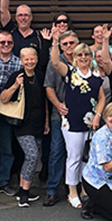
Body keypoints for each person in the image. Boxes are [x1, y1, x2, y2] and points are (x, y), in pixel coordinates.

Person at [50, 25, 105, 209]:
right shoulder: (70, 72)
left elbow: (101, 98)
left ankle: (84, 189)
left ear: (90, 57)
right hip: (72, 122)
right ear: (75, 57)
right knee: (73, 157)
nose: (83, 58)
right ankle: (72, 192)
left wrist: (98, 115)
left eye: (86, 55)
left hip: (90, 123)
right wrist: (55, 42)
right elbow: (55, 62)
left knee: (86, 158)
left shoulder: (96, 75)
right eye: (79, 55)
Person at [0, 48, 49, 207]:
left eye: (32, 58)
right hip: (22, 124)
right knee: (32, 155)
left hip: (38, 123)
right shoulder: (17, 76)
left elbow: (45, 101)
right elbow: (3, 98)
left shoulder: (40, 75)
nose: (29, 62)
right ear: (21, 60)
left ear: (36, 59)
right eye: (26, 59)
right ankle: (24, 193)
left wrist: (46, 122)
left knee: (31, 158)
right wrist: (15, 85)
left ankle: (22, 189)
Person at [43, 28, 79, 206]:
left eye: (72, 43)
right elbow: (48, 87)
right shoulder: (54, 61)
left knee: (79, 153)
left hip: (81, 115)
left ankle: (77, 188)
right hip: (60, 114)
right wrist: (57, 105)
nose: (69, 46)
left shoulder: (84, 60)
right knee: (57, 151)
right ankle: (52, 189)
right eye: (65, 44)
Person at [0, 31, 23, 196]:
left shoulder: (19, 63)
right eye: (2, 42)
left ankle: (3, 181)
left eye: (9, 42)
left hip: (7, 112)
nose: (6, 45)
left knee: (6, 148)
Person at [0, 0, 50, 70]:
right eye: (20, 15)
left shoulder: (39, 36)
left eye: (26, 15)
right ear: (16, 17)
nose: (23, 18)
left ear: (31, 17)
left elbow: (43, 61)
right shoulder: (11, 31)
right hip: (12, 73)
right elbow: (3, 10)